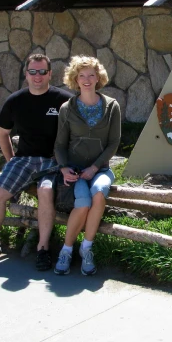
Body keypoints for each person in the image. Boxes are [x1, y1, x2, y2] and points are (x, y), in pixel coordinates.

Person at [0, 54, 71, 271]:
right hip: (24, 159)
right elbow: (2, 133)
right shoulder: (15, 101)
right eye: (33, 72)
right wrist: (11, 160)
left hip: (52, 161)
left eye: (42, 72)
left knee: (46, 192)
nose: (37, 76)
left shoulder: (63, 100)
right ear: (26, 74)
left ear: (49, 74)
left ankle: (43, 248)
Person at [53, 55, 121, 276]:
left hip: (100, 170)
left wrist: (95, 167)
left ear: (98, 77)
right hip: (75, 171)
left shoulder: (112, 106)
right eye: (82, 75)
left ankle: (87, 248)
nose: (87, 79)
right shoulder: (67, 108)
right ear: (75, 79)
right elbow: (59, 145)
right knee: (82, 203)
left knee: (99, 192)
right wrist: (63, 168)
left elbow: (113, 143)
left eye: (91, 74)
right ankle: (66, 249)